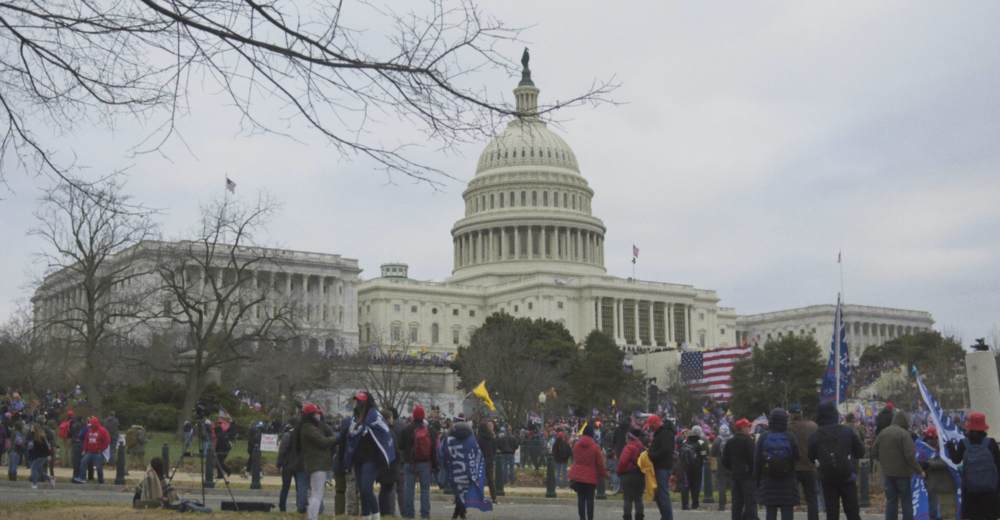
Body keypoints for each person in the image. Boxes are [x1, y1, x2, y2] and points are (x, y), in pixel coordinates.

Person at [808, 402, 864, 520]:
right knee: (852, 511)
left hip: (827, 477)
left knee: (832, 512)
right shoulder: (847, 431)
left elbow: (811, 456)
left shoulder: (815, 435)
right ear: (835, 415)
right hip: (847, 475)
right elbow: (860, 452)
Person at [346, 391, 396, 520]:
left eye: (360, 400)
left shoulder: (374, 416)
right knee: (362, 491)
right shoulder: (355, 418)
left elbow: (384, 434)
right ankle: (366, 516)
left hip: (371, 459)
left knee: (366, 488)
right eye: (356, 400)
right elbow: (350, 436)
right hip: (358, 459)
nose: (357, 403)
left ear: (367, 402)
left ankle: (376, 515)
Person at [946, 412, 1000, 520]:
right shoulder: (991, 443)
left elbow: (956, 460)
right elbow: (998, 465)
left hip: (971, 490)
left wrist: (950, 447)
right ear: (984, 428)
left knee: (974, 516)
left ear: (969, 427)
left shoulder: (963, 443)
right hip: (990, 490)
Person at [872, 410, 923, 520]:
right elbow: (910, 456)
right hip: (903, 474)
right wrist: (919, 470)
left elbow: (874, 452)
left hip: (888, 474)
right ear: (904, 421)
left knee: (891, 501)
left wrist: (884, 463)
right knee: (906, 502)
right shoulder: (905, 435)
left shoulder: (883, 432)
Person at [754, 408, 799, 520]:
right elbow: (797, 457)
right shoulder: (790, 437)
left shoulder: (764, 437)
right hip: (787, 481)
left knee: (770, 512)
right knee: (787, 513)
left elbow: (757, 461)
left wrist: (757, 483)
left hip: (769, 481)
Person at [299, 403, 337, 520]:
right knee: (317, 494)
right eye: (316, 414)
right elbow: (323, 442)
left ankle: (312, 517)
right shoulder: (308, 428)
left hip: (316, 464)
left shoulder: (309, 427)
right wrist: (337, 437)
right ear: (311, 415)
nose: (318, 416)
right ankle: (312, 517)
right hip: (317, 464)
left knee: (316, 493)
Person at [399, 405, 437, 519]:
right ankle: (425, 515)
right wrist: (434, 465)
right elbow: (434, 448)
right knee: (425, 490)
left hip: (409, 463)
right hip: (425, 463)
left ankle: (408, 515)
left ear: (413, 416)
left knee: (408, 489)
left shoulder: (406, 429)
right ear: (423, 416)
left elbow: (400, 446)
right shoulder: (429, 430)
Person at [569, 422, 607, 520]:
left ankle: (582, 518)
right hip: (590, 477)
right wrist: (604, 474)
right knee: (590, 500)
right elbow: (599, 463)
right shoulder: (595, 447)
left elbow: (575, 458)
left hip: (578, 477)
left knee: (580, 499)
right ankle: (590, 518)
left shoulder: (576, 445)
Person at [789, 404, 819, 520]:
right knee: (812, 498)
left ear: (790, 415)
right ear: (801, 413)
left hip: (793, 467)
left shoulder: (788, 428)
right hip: (810, 467)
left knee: (790, 499)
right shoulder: (812, 426)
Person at [723, 418, 757, 520]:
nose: (749, 429)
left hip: (735, 475)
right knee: (750, 502)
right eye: (748, 426)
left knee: (736, 503)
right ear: (742, 428)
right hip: (747, 476)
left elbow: (724, 460)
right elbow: (753, 459)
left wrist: (732, 468)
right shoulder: (748, 441)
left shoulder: (730, 442)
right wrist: (752, 471)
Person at [921, 426, 957, 520]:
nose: (927, 440)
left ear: (936, 438)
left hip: (941, 484)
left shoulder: (943, 449)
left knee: (940, 510)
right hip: (929, 482)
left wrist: (929, 464)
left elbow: (947, 462)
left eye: (929, 438)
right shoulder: (925, 449)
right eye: (927, 438)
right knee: (930, 506)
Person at [646, 415, 676, 520]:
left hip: (662, 467)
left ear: (655, 423)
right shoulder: (662, 433)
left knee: (662, 495)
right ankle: (665, 516)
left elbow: (665, 450)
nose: (650, 428)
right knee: (659, 495)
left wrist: (652, 455)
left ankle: (667, 517)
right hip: (660, 466)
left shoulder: (665, 433)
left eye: (651, 426)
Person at [277, 419, 308, 513]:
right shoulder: (303, 436)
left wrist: (279, 464)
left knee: (285, 487)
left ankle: (282, 506)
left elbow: (282, 450)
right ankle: (301, 506)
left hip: (288, 464)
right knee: (300, 487)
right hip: (299, 465)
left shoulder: (287, 435)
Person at [617, 428, 646, 520]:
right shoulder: (642, 448)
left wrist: (619, 472)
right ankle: (639, 517)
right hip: (640, 475)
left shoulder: (629, 447)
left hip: (628, 475)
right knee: (639, 499)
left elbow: (622, 462)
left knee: (628, 499)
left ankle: (627, 517)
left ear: (629, 438)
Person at [378, 407, 401, 517]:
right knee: (388, 490)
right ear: (387, 419)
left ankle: (383, 511)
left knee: (383, 490)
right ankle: (387, 512)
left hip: (381, 465)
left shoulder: (378, 431)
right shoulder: (389, 432)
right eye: (391, 418)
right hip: (390, 465)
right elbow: (395, 450)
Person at [73, 416, 110, 484]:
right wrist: (84, 450)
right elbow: (86, 441)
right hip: (89, 452)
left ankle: (101, 480)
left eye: (91, 425)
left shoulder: (103, 431)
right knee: (83, 462)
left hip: (97, 452)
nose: (90, 426)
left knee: (99, 467)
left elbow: (107, 441)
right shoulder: (89, 430)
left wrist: (101, 449)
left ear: (95, 424)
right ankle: (82, 478)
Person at [680, 425, 708, 510]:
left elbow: (680, 452)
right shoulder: (701, 442)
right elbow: (704, 454)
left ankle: (685, 504)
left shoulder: (685, 441)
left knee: (685, 485)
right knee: (696, 485)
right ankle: (695, 504)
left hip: (685, 466)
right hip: (697, 467)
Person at [713, 424, 733, 512]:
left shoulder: (717, 440)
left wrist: (713, 468)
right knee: (733, 485)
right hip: (732, 465)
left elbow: (712, 454)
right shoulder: (732, 439)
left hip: (721, 465)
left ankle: (721, 506)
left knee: (721, 485)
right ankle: (735, 504)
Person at [28, 423, 55, 489]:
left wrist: (49, 455)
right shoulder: (34, 436)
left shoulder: (41, 437)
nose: (31, 429)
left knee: (34, 468)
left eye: (32, 427)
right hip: (38, 456)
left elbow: (46, 447)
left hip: (42, 456)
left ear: (35, 429)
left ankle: (34, 484)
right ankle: (50, 479)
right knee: (40, 471)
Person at [477, 420, 498, 502]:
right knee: (490, 480)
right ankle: (494, 497)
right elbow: (494, 449)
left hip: (481, 461)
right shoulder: (491, 438)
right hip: (489, 460)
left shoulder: (479, 439)